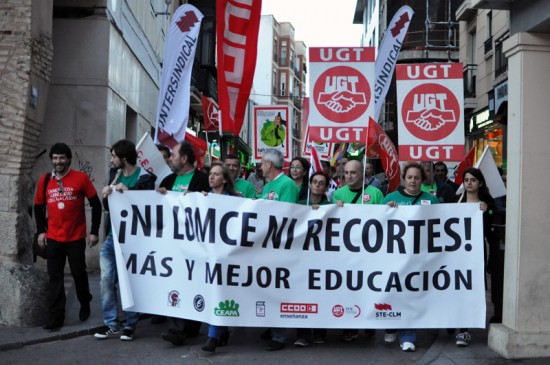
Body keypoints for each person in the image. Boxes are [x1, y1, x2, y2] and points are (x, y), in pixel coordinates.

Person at [34, 143, 102, 331]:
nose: (58, 162)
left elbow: (96, 205)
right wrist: (41, 230)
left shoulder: (80, 178)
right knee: (55, 277)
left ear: (69, 159)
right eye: (55, 158)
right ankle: (56, 317)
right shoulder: (46, 180)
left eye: (62, 158)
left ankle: (84, 300)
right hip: (53, 238)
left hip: (75, 238)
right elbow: (38, 206)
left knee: (78, 274)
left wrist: (94, 231)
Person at [94, 139, 156, 341]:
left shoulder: (145, 177)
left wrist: (129, 192)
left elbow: (147, 204)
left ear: (124, 158)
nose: (111, 160)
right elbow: (108, 205)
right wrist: (107, 194)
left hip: (133, 240)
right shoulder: (115, 174)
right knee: (106, 280)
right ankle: (111, 323)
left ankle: (130, 324)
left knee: (130, 282)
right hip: (113, 237)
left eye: (113, 156)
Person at [381, 162, 439, 352]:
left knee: (410, 295)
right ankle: (392, 326)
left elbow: (443, 223)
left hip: (420, 259)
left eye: (417, 178)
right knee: (394, 293)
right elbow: (376, 223)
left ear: (422, 180)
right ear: (403, 179)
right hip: (394, 258)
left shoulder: (431, 200)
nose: (413, 181)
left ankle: (408, 336)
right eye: (409, 177)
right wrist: (386, 210)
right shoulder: (390, 197)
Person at [156, 141, 209, 346]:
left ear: (185, 158)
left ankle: (187, 327)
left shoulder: (202, 180)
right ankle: (181, 328)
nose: (170, 158)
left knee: (193, 284)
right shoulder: (168, 181)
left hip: (195, 244)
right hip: (173, 245)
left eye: (174, 155)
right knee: (177, 284)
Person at [333, 160, 384, 342]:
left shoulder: (375, 193)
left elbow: (386, 218)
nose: (348, 176)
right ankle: (350, 326)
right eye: (346, 173)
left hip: (371, 250)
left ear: (362, 173)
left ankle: (369, 323)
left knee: (369, 288)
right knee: (349, 289)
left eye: (353, 173)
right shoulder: (338, 194)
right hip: (347, 251)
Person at [259, 148, 298, 351]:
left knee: (277, 291)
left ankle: (279, 336)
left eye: (262, 163)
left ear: (269, 165)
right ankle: (270, 325)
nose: (260, 166)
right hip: (266, 245)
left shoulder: (287, 184)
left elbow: (287, 214)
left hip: (280, 247)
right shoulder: (269, 186)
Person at [453, 167, 496, 347]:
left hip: (475, 256)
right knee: (456, 291)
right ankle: (461, 329)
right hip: (455, 256)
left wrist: (488, 212)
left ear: (480, 183)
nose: (469, 183)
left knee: (472, 291)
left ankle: (466, 329)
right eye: (466, 180)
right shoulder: (455, 202)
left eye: (473, 180)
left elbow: (491, 231)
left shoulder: (487, 205)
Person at [200, 162, 239, 352]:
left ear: (224, 179)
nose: (211, 177)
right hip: (207, 254)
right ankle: (220, 332)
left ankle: (213, 337)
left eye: (216, 174)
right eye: (210, 173)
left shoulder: (234, 200)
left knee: (218, 293)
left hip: (225, 256)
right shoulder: (202, 198)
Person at [294, 171, 330, 347]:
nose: (317, 185)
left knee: (320, 296)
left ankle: (319, 333)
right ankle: (302, 334)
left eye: (321, 183)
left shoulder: (330, 207)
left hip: (322, 259)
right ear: (309, 184)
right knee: (301, 296)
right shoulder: (299, 205)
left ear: (326, 187)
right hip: (301, 258)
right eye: (314, 182)